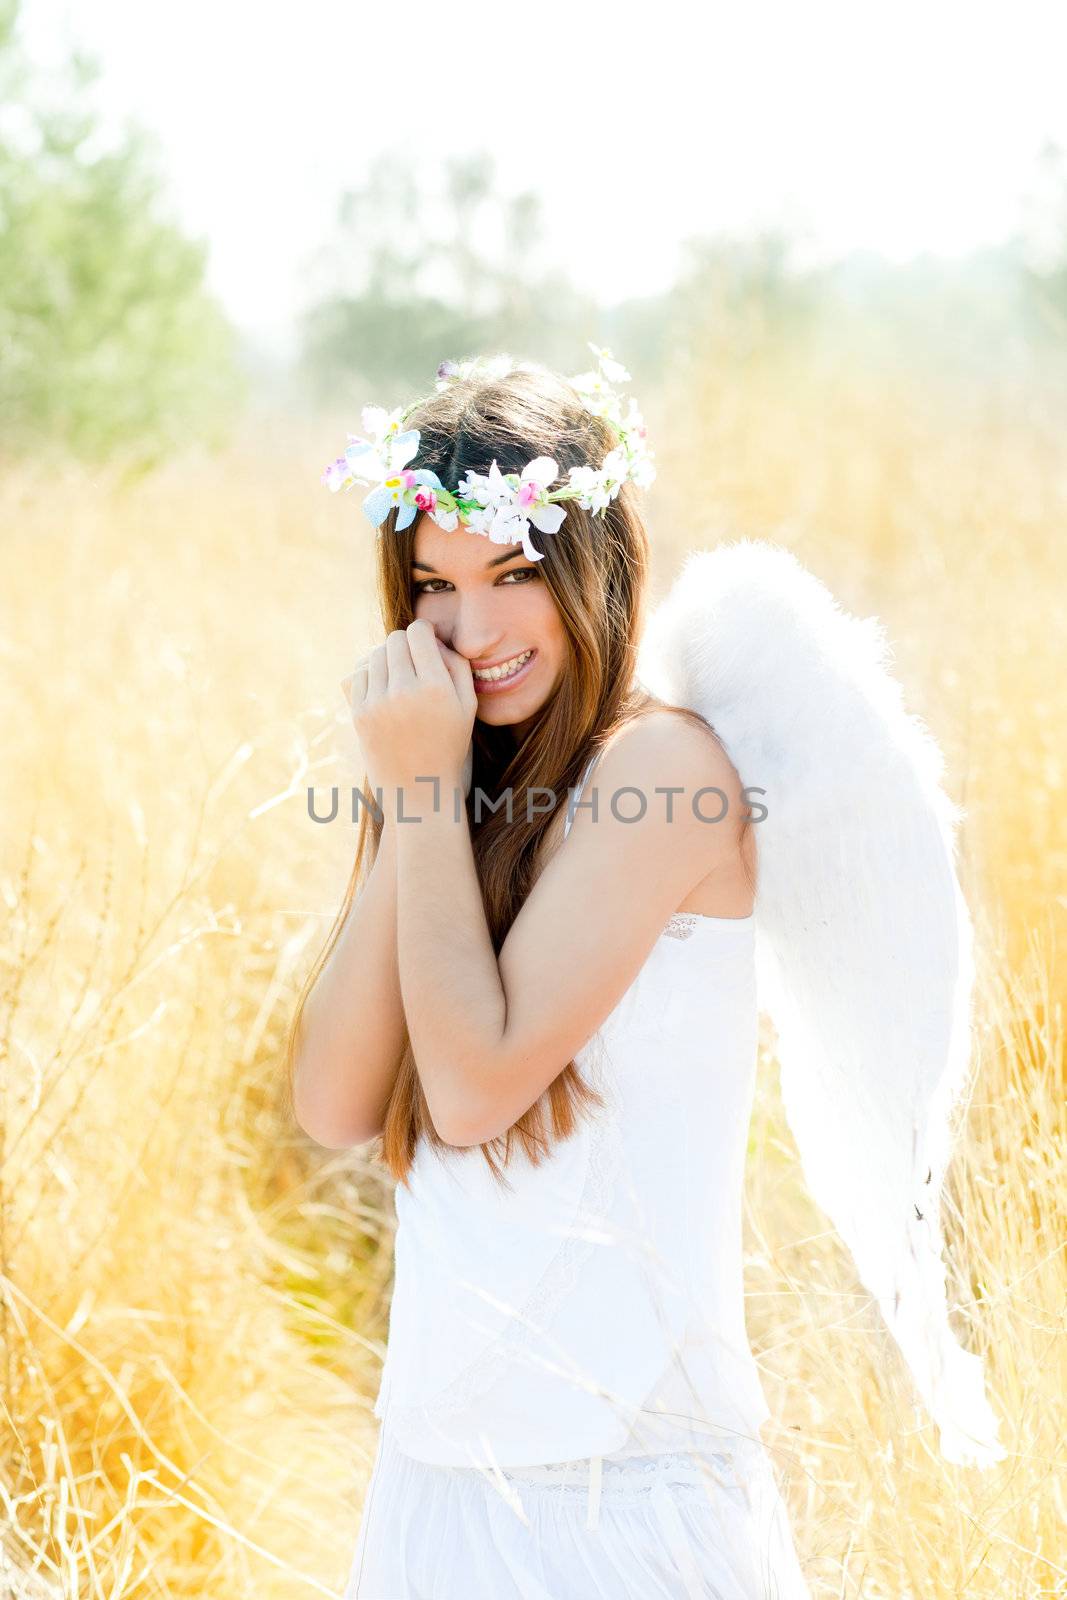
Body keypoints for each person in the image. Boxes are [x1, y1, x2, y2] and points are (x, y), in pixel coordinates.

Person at [288, 349, 1003, 1598]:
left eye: (513, 573)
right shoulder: (452, 779)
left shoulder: (657, 773)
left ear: (594, 565)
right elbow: (336, 1103)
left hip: (624, 1490)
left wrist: (413, 784)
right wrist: (425, 795)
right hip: (439, 1473)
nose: (472, 629)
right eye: (433, 587)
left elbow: (469, 1093)